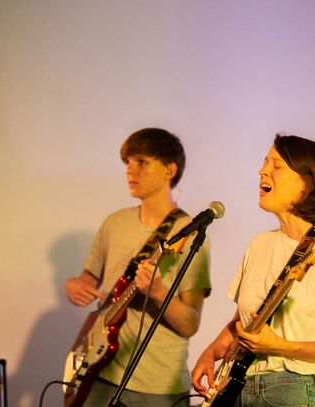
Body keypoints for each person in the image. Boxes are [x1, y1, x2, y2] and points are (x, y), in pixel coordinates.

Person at [191, 134, 315, 406]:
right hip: (241, 388)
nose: (262, 171)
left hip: (294, 388)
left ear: (307, 184)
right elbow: (242, 323)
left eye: (276, 165)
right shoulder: (259, 244)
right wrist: (211, 351)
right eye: (265, 163)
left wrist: (281, 347)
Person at [65, 128, 211, 406]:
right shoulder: (114, 223)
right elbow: (87, 281)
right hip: (100, 372)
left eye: (141, 162)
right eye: (128, 162)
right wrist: (74, 286)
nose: (130, 170)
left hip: (157, 385)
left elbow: (190, 323)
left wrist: (158, 293)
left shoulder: (190, 233)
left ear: (169, 170)